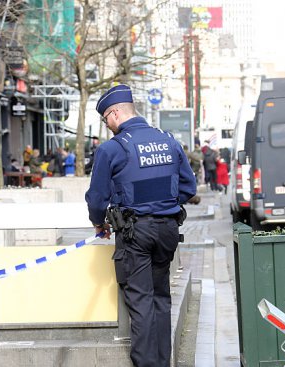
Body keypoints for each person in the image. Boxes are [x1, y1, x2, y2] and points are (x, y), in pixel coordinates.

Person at [85, 84, 196, 367]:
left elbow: (96, 198)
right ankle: (163, 361)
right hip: (168, 229)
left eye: (105, 119)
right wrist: (163, 204)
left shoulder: (112, 148)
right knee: (161, 297)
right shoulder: (168, 140)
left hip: (135, 233)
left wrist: (99, 223)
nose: (107, 125)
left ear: (114, 113)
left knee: (141, 300)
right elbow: (188, 187)